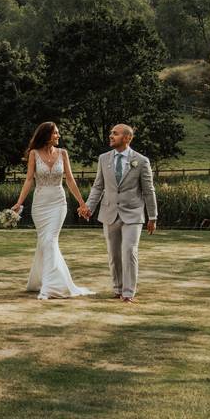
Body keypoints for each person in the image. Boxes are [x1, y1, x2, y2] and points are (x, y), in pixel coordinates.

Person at [11, 122, 93, 300]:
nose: (58, 136)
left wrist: (82, 203)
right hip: (40, 204)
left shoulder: (63, 153)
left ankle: (51, 287)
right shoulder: (34, 154)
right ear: (46, 135)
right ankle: (41, 281)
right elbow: (29, 180)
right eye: (55, 133)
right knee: (45, 242)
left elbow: (70, 180)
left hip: (58, 202)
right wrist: (19, 203)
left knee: (50, 240)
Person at [83, 124, 158, 303]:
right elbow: (98, 187)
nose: (111, 136)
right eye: (111, 133)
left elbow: (148, 190)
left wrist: (152, 216)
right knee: (114, 254)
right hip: (109, 212)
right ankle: (117, 288)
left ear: (127, 138)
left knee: (129, 251)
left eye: (115, 134)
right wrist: (89, 207)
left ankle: (128, 292)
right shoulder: (103, 158)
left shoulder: (141, 161)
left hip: (133, 214)